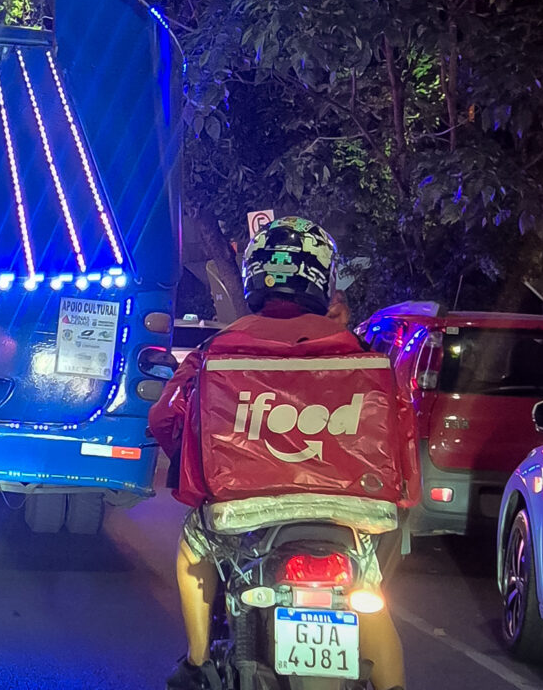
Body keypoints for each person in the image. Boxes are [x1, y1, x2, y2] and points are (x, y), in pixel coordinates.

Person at [154, 217, 408, 690]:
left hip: (243, 513)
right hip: (345, 515)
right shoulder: (357, 350)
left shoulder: (221, 346)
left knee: (193, 551)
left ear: (254, 276)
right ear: (323, 280)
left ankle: (197, 661)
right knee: (369, 588)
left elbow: (166, 417)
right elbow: (398, 426)